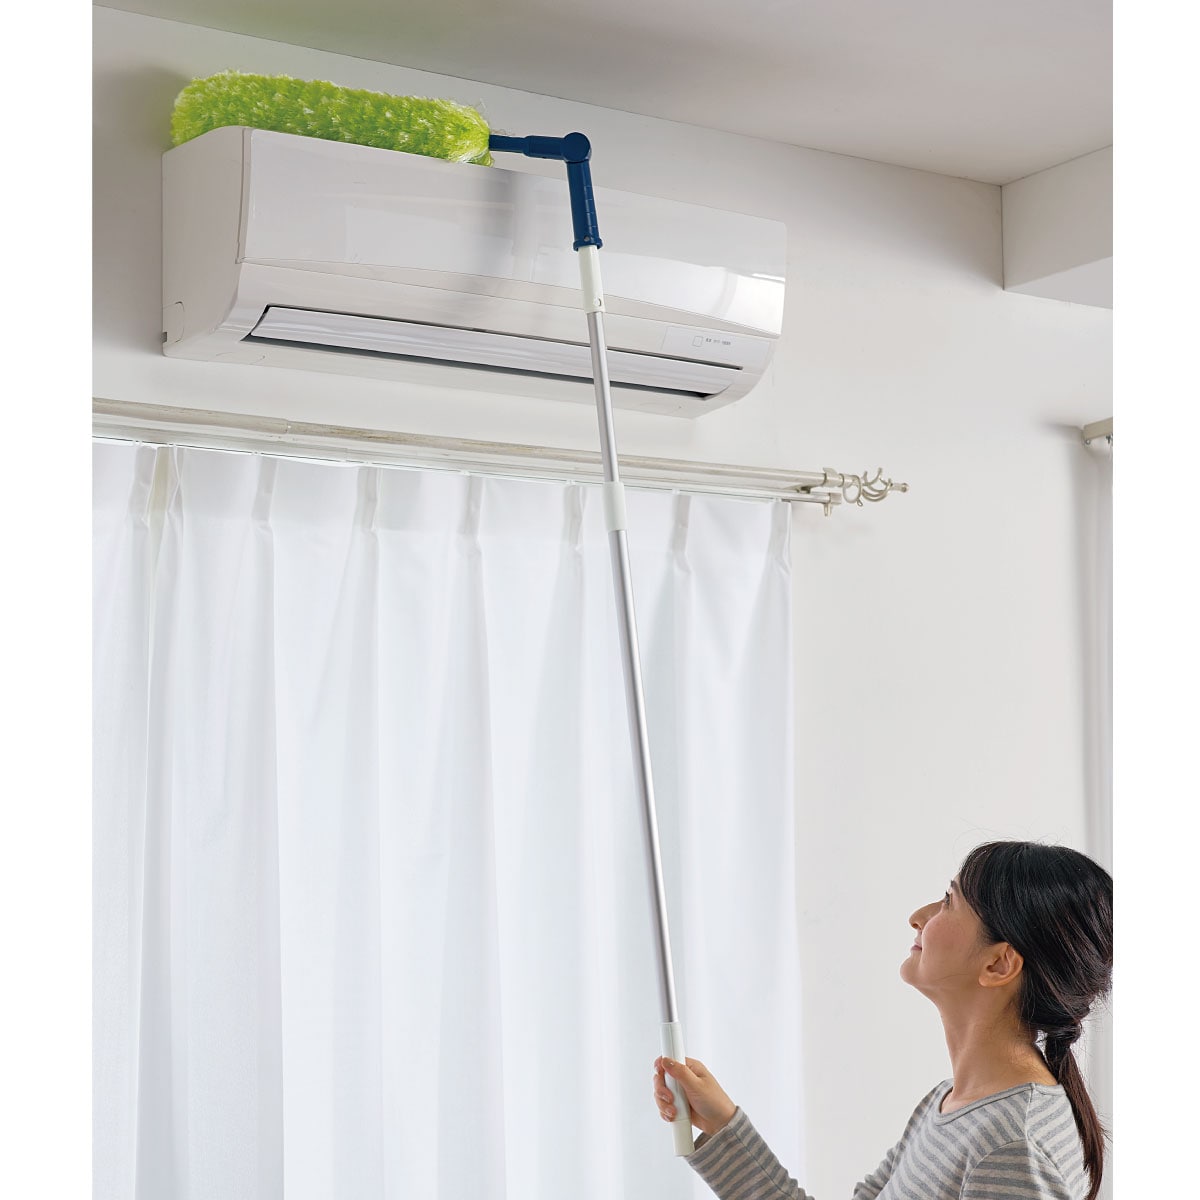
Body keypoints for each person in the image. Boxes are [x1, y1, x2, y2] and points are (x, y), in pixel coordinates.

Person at [652, 840, 1112, 1200]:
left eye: (948, 902)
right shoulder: (951, 1104)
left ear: (999, 964)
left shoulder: (1011, 1146)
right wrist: (723, 1125)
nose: (918, 917)